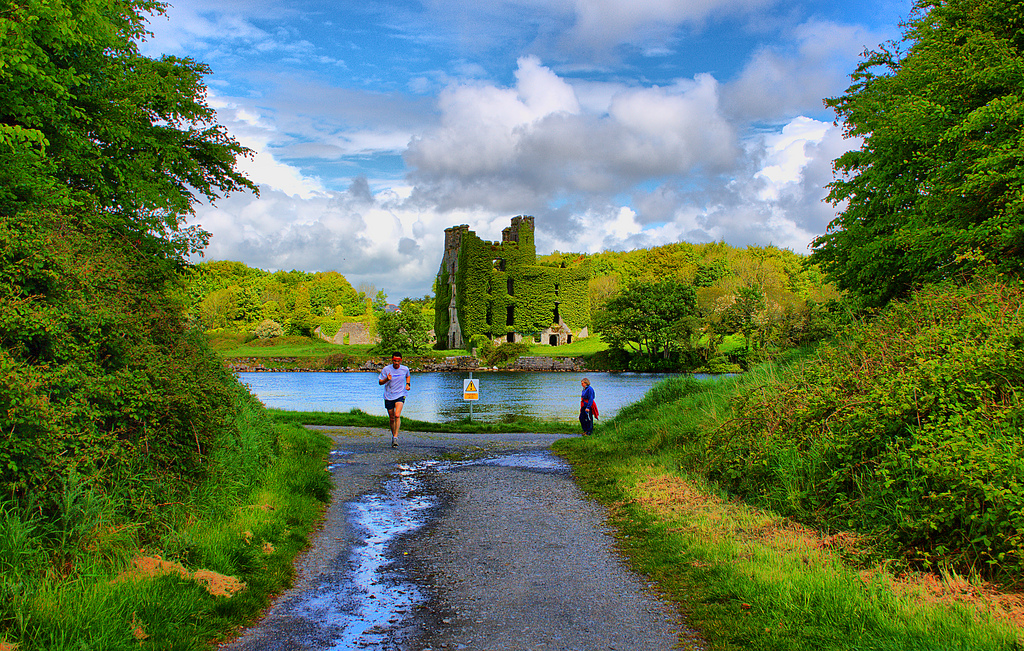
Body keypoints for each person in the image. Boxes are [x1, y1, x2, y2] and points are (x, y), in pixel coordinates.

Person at [378, 352, 411, 448]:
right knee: (392, 418)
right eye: (395, 361)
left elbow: (408, 376)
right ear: (392, 360)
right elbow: (380, 382)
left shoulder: (405, 369)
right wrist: (386, 380)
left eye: (398, 361)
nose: (396, 363)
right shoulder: (386, 369)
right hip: (389, 395)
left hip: (400, 394)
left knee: (397, 415)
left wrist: (408, 384)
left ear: (401, 361)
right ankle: (393, 436)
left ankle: (396, 437)